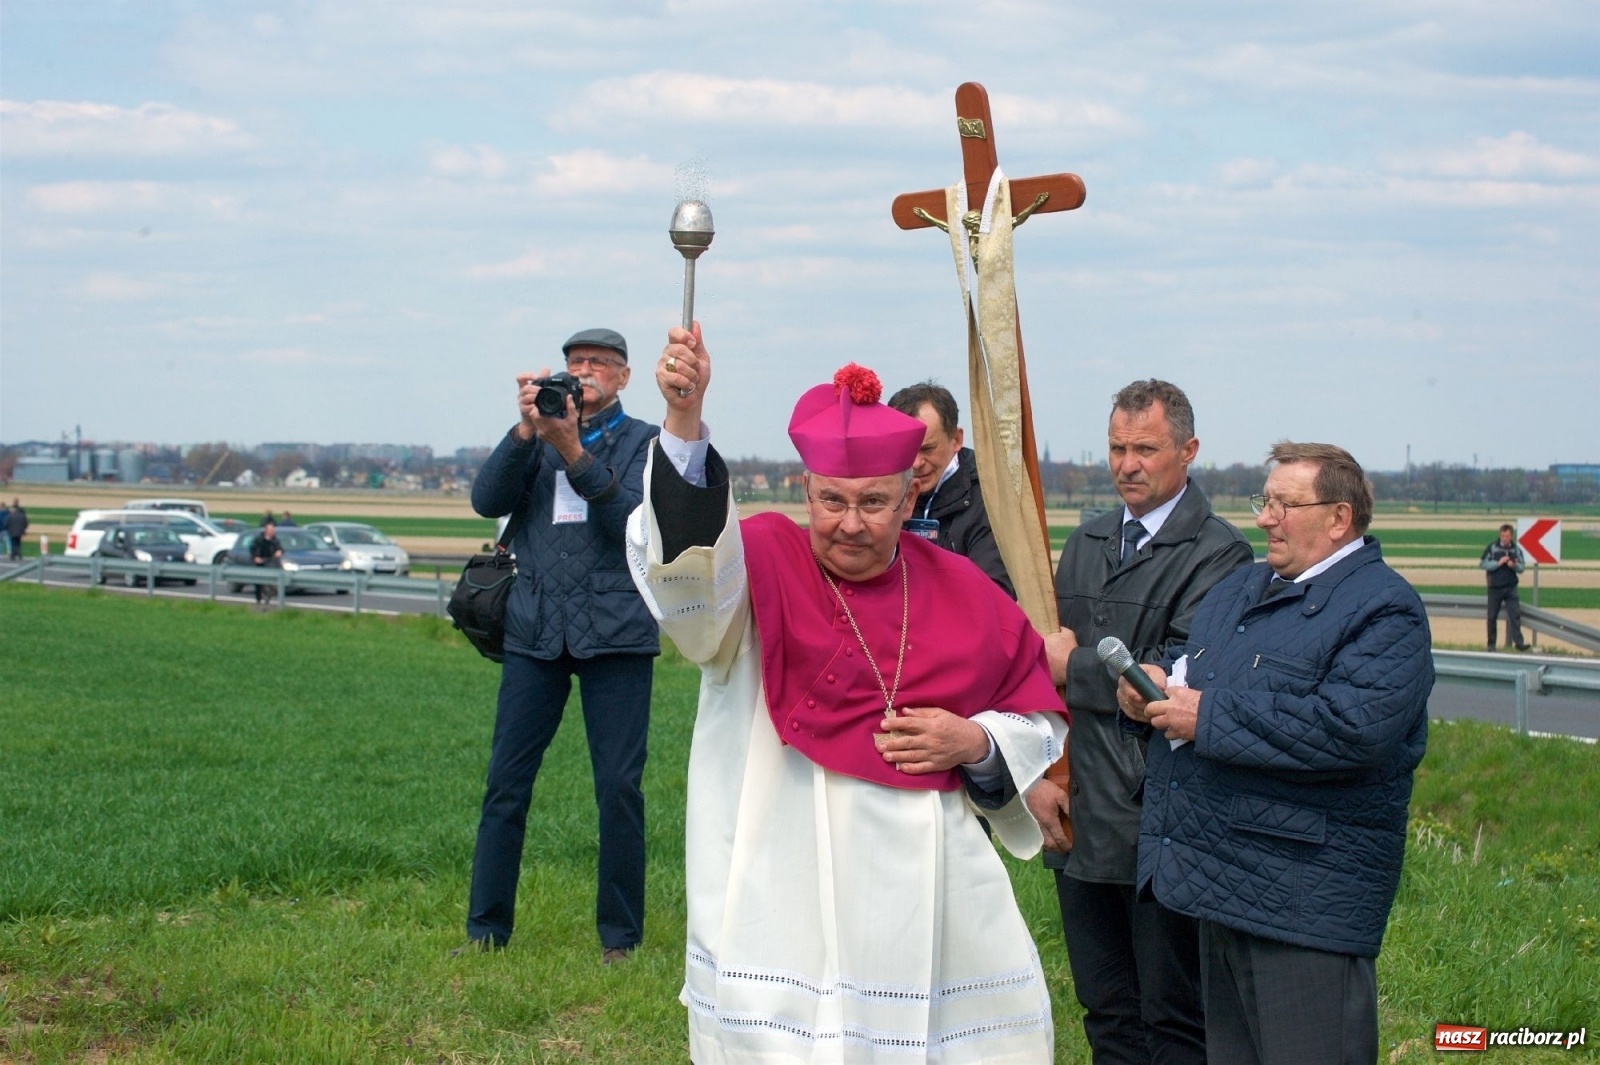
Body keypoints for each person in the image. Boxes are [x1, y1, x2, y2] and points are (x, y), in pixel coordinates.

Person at [627, 325, 1069, 1064]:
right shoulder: (758, 562)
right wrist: (683, 421)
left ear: (909, 496)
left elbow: (1035, 717)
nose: (851, 524)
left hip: (930, 892)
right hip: (780, 874)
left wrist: (975, 741)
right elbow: (689, 590)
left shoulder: (960, 587)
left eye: (874, 502)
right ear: (806, 489)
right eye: (832, 500)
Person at [1126, 441, 1434, 1065]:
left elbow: (1351, 729)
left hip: (1303, 902)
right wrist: (1153, 685)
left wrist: (1205, 716)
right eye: (1263, 501)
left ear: (1339, 518)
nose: (1265, 518)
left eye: (1284, 505)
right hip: (1220, 885)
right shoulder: (1242, 587)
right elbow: (1200, 667)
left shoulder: (1385, 610)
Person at [1027, 379, 1253, 1064]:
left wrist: (1072, 666)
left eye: (1146, 449)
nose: (1128, 464)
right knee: (1106, 1013)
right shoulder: (1087, 541)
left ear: (1188, 450)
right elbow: (1041, 670)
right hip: (1079, 811)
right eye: (1117, 448)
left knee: (1172, 1019)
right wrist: (1041, 775)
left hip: (1160, 819)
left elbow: (1176, 676)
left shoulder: (1219, 553)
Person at [462, 327, 660, 965]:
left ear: (624, 376)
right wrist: (525, 433)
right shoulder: (536, 439)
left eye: (599, 362)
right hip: (536, 630)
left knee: (619, 789)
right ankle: (486, 931)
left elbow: (632, 521)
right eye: (575, 362)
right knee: (506, 784)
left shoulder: (646, 443)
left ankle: (620, 939)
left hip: (617, 634)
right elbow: (486, 501)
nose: (585, 371)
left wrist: (573, 449)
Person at [886, 380, 1014, 596]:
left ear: (956, 439)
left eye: (927, 449)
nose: (916, 463)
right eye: (907, 449)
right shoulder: (879, 494)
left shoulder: (990, 499)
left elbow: (994, 593)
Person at [1481, 523, 1529, 651]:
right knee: (1491, 618)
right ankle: (1491, 645)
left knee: (1515, 616)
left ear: (1511, 536)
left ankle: (1519, 643)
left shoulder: (1516, 550)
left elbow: (1522, 568)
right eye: (1502, 536)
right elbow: (1483, 564)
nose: (1504, 539)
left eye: (1507, 536)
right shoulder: (1492, 548)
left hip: (1510, 588)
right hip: (1494, 588)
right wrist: (1498, 563)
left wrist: (1514, 566)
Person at [250, 519, 283, 605]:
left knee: (270, 581)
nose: (272, 532)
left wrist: (279, 551)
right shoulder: (258, 539)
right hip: (260, 562)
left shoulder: (275, 540)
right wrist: (255, 557)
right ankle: (258, 598)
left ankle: (268, 596)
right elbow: (252, 549)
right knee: (258, 581)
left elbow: (280, 548)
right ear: (266, 531)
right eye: (271, 530)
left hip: (270, 562)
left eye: (273, 530)